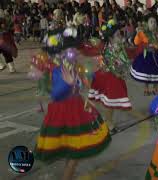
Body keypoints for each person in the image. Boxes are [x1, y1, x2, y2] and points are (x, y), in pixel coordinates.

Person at [34, 27, 111, 180]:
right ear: (60, 51)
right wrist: (72, 84)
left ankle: (69, 172)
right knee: (76, 148)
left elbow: (80, 85)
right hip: (66, 110)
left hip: (74, 106)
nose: (75, 51)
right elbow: (56, 94)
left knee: (73, 147)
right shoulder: (59, 68)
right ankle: (67, 176)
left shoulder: (70, 64)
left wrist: (78, 82)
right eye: (71, 49)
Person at [88, 19, 132, 135]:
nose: (120, 36)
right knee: (109, 102)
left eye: (120, 33)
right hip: (108, 78)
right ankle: (109, 124)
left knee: (109, 103)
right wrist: (120, 72)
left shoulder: (118, 46)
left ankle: (106, 121)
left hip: (115, 76)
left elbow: (125, 61)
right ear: (111, 38)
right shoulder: (108, 49)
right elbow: (112, 66)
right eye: (117, 34)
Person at [130, 14, 158, 96]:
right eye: (151, 22)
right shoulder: (143, 32)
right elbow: (136, 42)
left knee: (156, 71)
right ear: (147, 23)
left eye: (154, 22)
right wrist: (138, 33)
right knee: (146, 72)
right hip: (146, 55)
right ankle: (146, 88)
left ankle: (155, 87)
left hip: (156, 54)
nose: (153, 23)